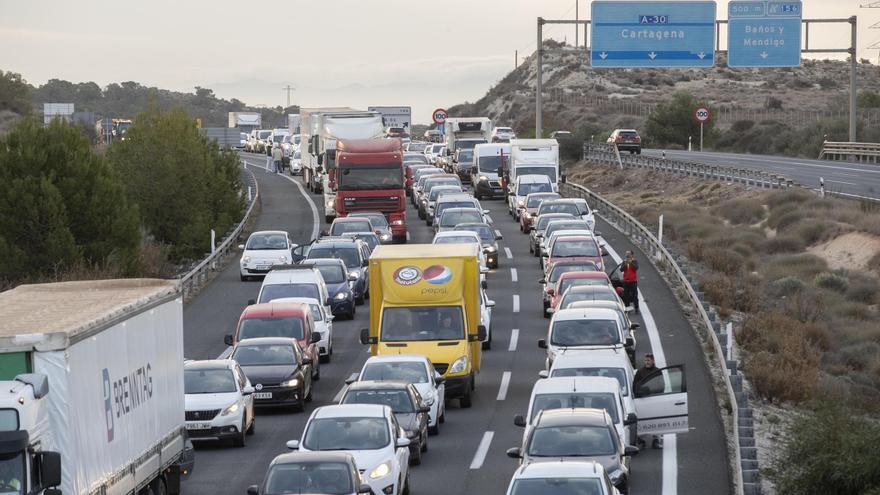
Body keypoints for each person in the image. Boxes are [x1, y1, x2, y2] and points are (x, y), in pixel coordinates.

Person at [634, 353, 662, 450]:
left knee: (656, 419)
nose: (647, 362)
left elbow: (661, 385)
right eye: (645, 360)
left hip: (654, 399)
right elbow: (635, 386)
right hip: (642, 400)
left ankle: (656, 440)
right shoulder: (640, 372)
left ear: (653, 361)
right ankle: (642, 441)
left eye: (648, 360)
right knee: (643, 420)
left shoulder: (658, 372)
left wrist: (656, 395)